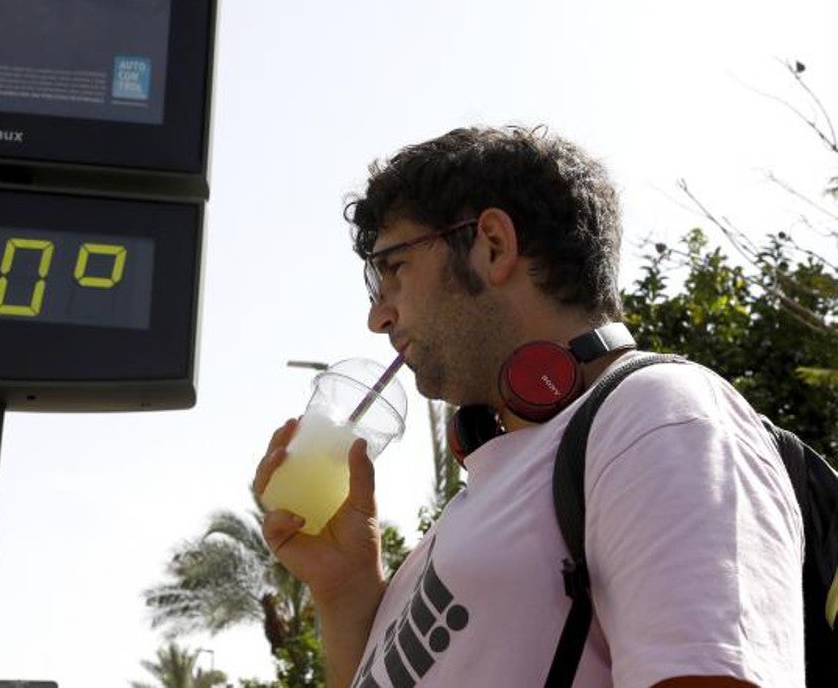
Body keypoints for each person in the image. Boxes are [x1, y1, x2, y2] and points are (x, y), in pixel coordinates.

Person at [252, 126, 805, 687]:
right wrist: (345, 592)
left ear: (492, 244)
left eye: (392, 270)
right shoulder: (473, 515)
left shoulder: (659, 418)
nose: (378, 317)